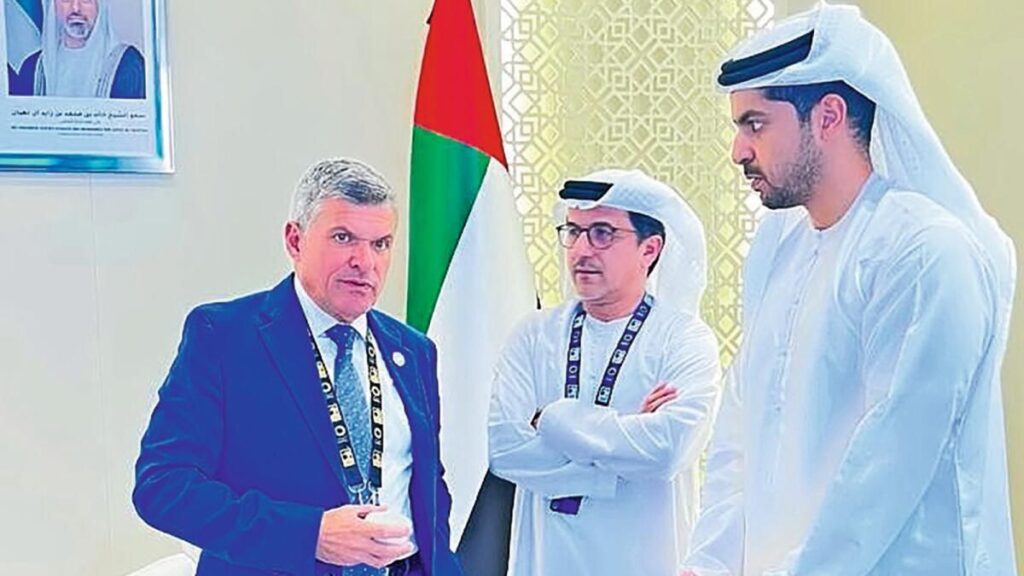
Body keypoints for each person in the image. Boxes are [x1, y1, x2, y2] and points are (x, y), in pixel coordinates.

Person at [681, 4, 1018, 575]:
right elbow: (741, 434)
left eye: (755, 124)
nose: (738, 151)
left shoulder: (923, 251)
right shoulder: (779, 249)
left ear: (828, 116)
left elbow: (887, 466)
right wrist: (708, 563)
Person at [134, 159, 464, 576]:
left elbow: (428, 492)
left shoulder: (414, 351)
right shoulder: (225, 337)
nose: (365, 261)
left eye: (381, 243)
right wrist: (310, 536)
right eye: (344, 238)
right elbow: (162, 486)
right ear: (295, 241)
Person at [489, 169, 722, 575]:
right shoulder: (534, 335)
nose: (581, 250)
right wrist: (625, 446)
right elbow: (505, 450)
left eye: (602, 233)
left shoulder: (684, 339)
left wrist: (552, 420)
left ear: (650, 249)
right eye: (573, 231)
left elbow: (667, 451)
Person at [7, 0, 145, 98]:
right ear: (53, 6)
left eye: (86, 0)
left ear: (100, 5)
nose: (75, 9)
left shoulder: (128, 64)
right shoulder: (33, 68)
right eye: (66, 0)